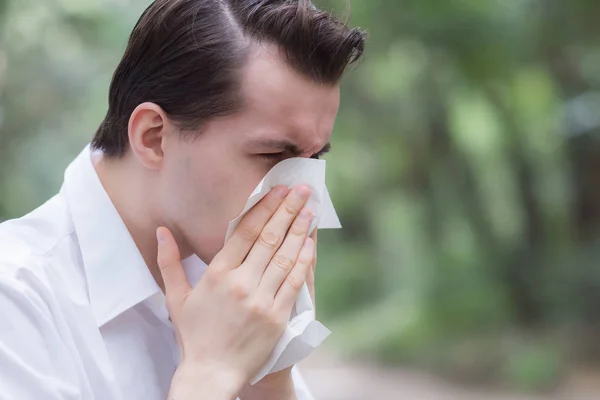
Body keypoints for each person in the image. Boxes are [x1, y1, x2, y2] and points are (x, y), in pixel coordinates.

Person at [0, 0, 365, 399]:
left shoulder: (234, 290)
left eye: (315, 159)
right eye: (273, 156)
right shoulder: (17, 299)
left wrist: (269, 379)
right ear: (153, 137)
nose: (305, 196)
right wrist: (210, 376)